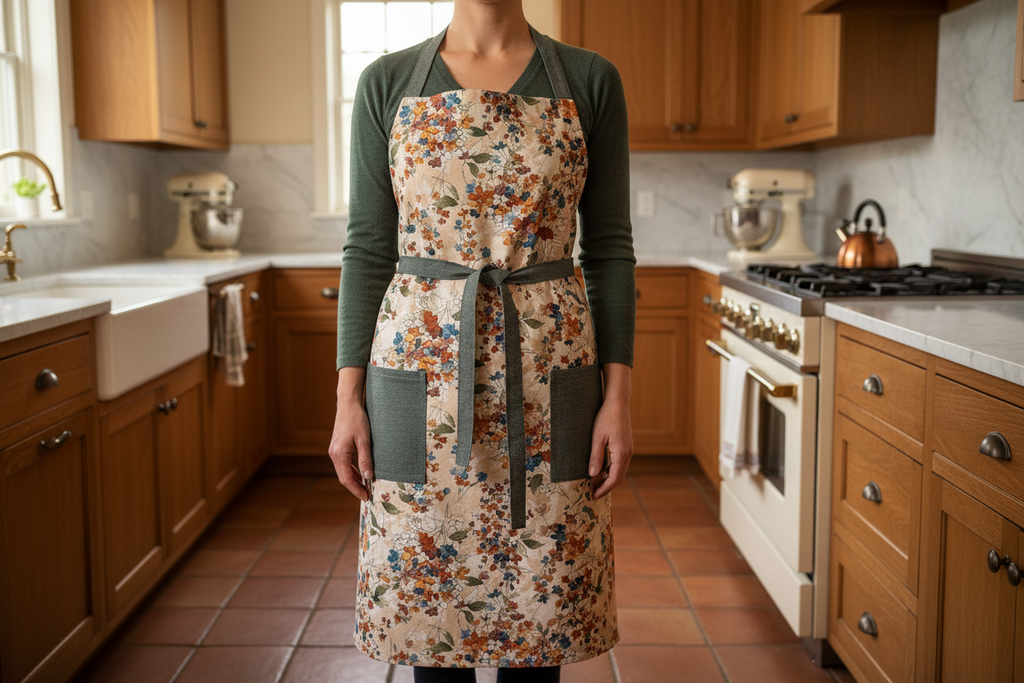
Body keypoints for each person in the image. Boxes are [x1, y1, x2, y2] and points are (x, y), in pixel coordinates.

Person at [328, 1, 635, 680]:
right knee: (431, 630)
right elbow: (369, 251)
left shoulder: (589, 79)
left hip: (549, 375)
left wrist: (617, 398)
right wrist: (348, 400)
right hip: (423, 383)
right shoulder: (387, 83)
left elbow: (610, 251)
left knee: (540, 625)